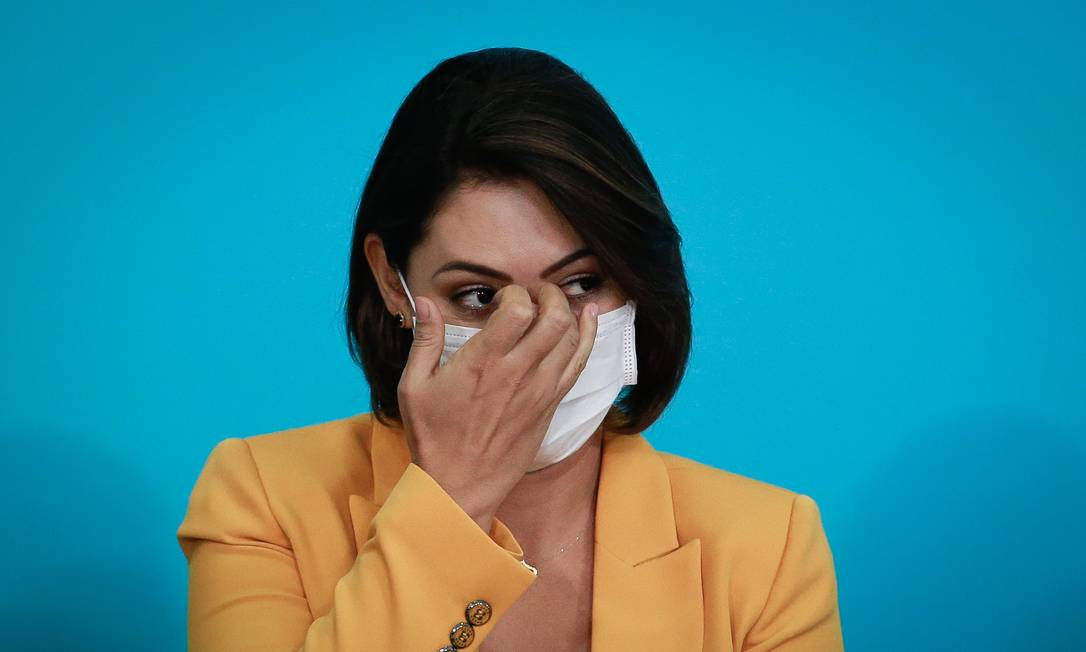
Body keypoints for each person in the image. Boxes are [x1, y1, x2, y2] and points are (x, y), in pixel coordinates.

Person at [176, 47, 845, 651]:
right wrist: (451, 500)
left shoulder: (768, 543)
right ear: (392, 282)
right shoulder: (262, 500)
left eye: (581, 283)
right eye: (479, 295)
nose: (539, 329)